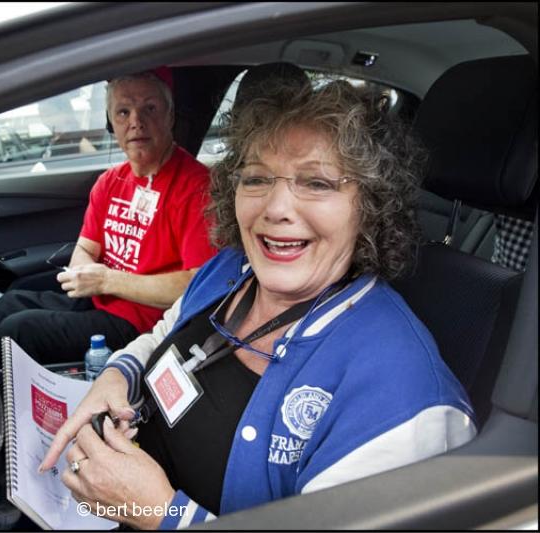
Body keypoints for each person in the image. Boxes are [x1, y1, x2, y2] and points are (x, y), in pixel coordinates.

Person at [40, 79, 478, 529]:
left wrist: (158, 512)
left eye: (316, 182)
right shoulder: (230, 269)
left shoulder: (402, 403)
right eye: (256, 179)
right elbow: (162, 333)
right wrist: (118, 375)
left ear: (369, 204)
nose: (275, 207)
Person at [0, 67, 216, 365]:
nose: (136, 122)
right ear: (112, 122)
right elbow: (86, 248)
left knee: (19, 331)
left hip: (143, 324)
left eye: (150, 108)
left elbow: (198, 284)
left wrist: (106, 280)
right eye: (123, 112)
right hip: (97, 301)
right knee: (12, 301)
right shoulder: (110, 181)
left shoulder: (195, 187)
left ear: (170, 116)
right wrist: (84, 275)